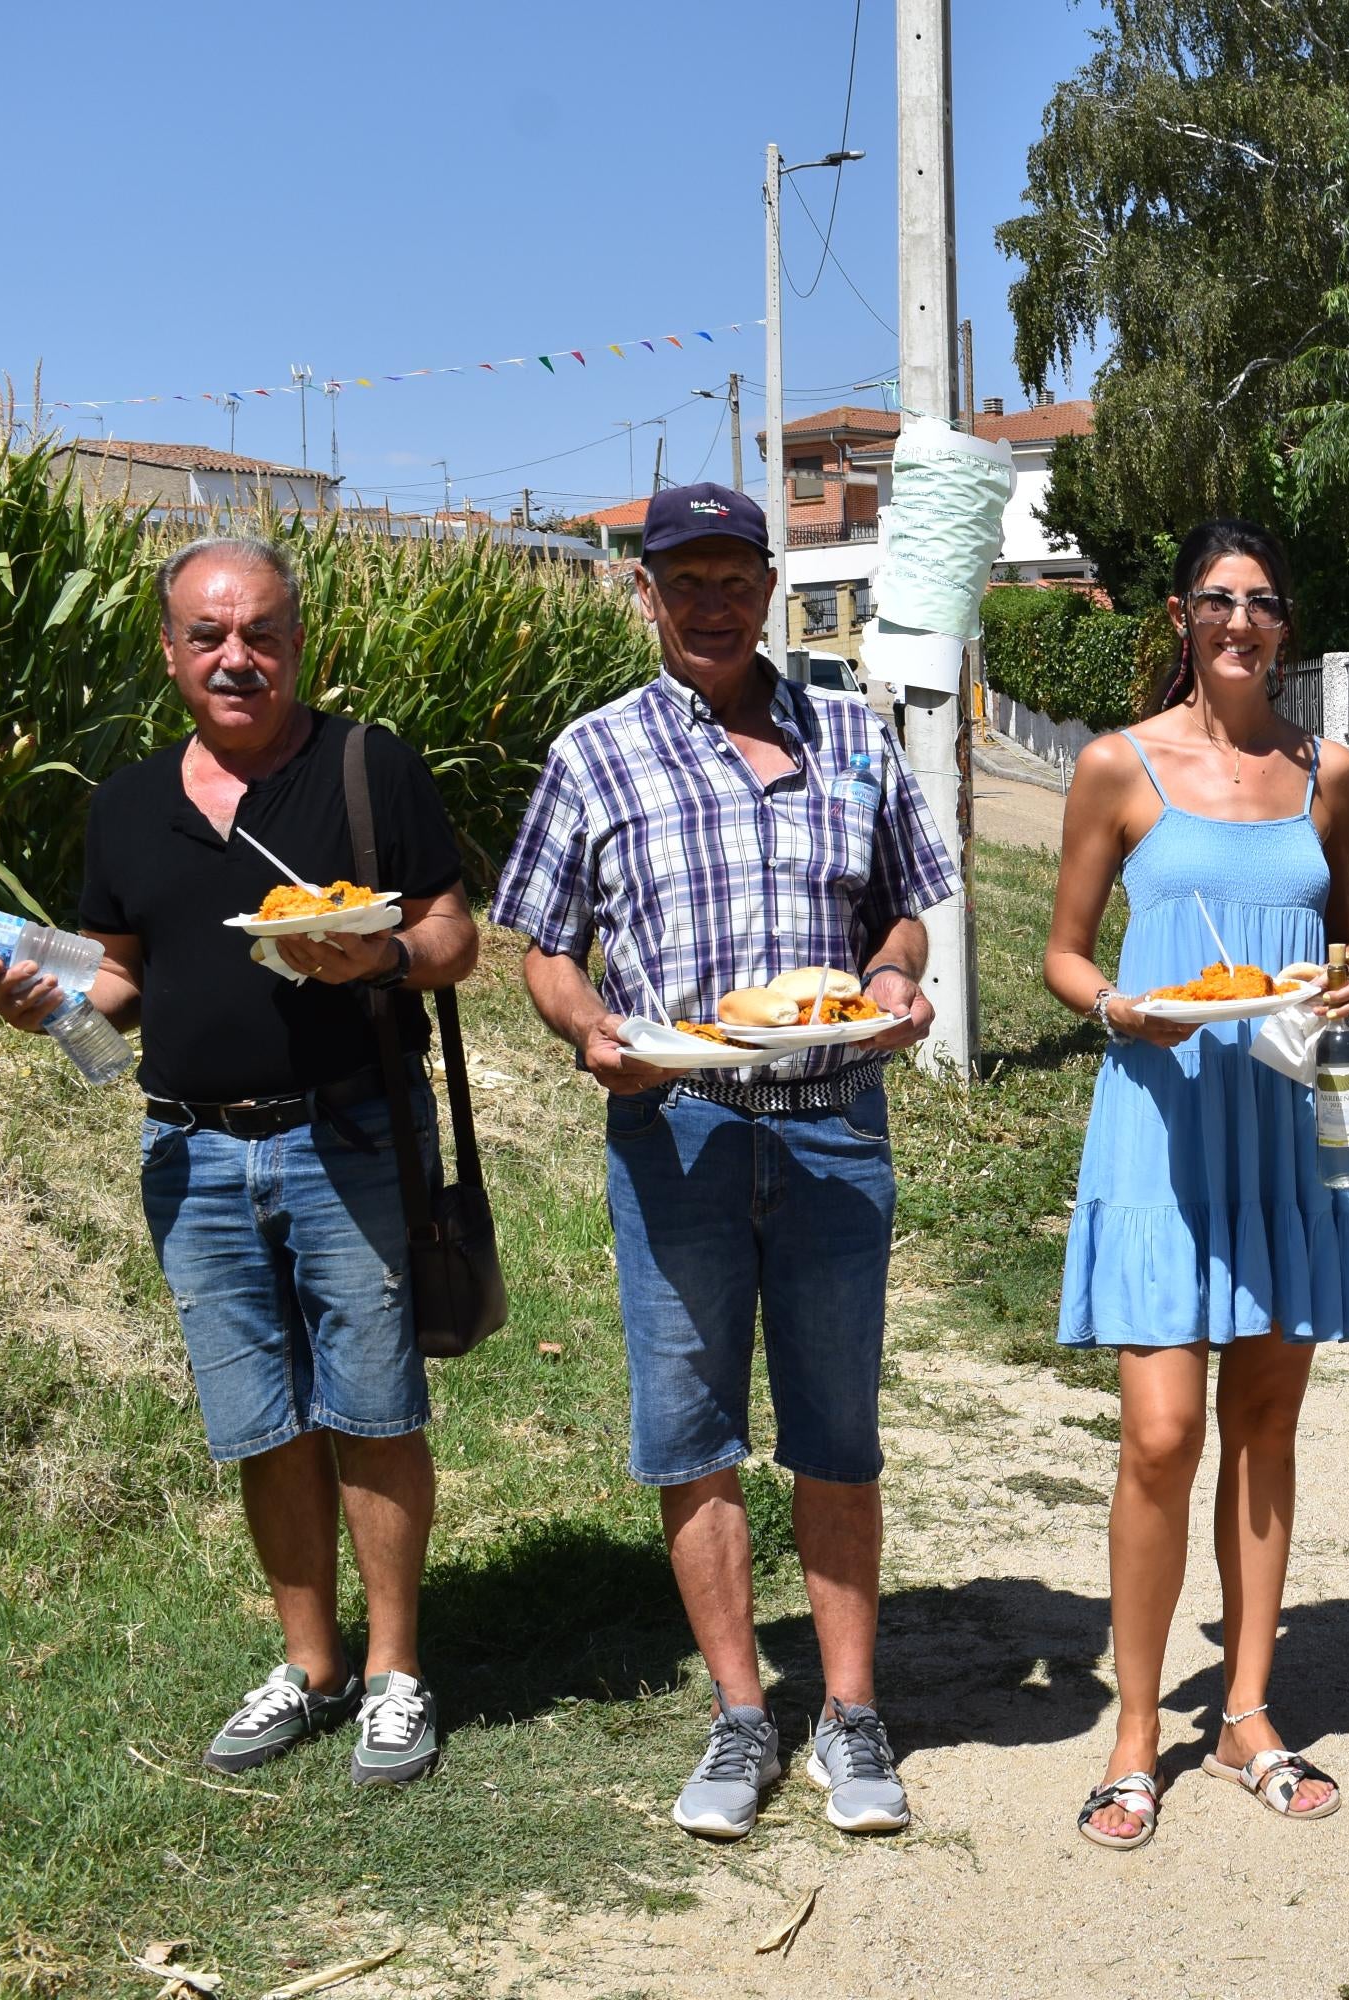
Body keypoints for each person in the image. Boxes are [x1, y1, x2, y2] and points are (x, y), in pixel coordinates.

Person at [490, 483, 957, 1844]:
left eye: (730, 576)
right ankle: (741, 1712)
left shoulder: (851, 734)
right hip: (677, 1125)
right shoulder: (597, 755)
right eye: (680, 579)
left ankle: (852, 1712)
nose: (708, 602)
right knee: (690, 1430)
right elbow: (541, 942)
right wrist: (589, 1029)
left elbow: (903, 919)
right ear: (648, 593)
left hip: (832, 1126)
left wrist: (892, 977)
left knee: (837, 1427)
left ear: (769, 584)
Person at [0, 536, 477, 1785]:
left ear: (297, 640)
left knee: (372, 1407)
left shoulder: (369, 767)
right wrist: (45, 1002)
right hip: (190, 1153)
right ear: (169, 652)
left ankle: (395, 1673)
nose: (236, 656)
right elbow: (122, 976)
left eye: (259, 630)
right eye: (208, 636)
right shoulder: (128, 801)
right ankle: (308, 1663)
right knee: (259, 1421)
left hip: (350, 1133)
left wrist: (381, 960)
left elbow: (453, 935)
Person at [1042, 519, 1349, 1851]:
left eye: (1262, 602)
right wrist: (1122, 1007)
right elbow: (1066, 956)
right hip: (1164, 1114)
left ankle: (1248, 1709)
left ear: (1285, 624)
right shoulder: (1116, 765)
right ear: (1183, 618)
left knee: (1268, 1421)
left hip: (1299, 1110)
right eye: (1218, 600)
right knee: (1159, 1435)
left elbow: (1338, 945)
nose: (1241, 622)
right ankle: (1137, 1729)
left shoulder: (1330, 770)